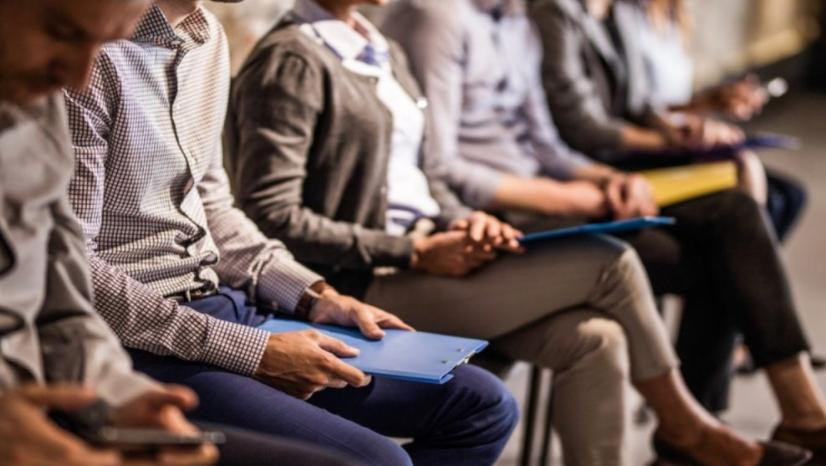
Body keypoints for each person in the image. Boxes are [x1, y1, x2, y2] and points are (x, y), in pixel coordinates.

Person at [225, 0, 813, 464]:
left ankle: (685, 432)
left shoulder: (381, 47)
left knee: (596, 338)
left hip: (433, 247)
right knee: (609, 261)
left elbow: (428, 176)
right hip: (368, 280)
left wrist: (466, 221)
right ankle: (686, 426)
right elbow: (271, 214)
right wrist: (415, 249)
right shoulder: (293, 58)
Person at [62, 1, 519, 465]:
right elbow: (74, 272)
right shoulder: (89, 55)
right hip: (143, 339)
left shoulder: (208, 37)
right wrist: (251, 351)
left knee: (483, 405)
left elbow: (215, 207)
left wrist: (314, 294)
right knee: (381, 461)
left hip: (223, 303)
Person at [0, 1, 360, 465]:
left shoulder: (34, 112)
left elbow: (60, 294)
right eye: (61, 31)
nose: (80, 77)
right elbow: (82, 279)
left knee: (474, 400)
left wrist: (125, 398)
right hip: (136, 333)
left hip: (196, 310)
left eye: (103, 44)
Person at [629, 0, 807, 242]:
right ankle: (742, 270)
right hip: (652, 144)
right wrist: (687, 123)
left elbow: (674, 100)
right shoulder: (629, 16)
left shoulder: (675, 16)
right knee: (751, 176)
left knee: (793, 196)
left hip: (681, 135)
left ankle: (749, 268)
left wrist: (712, 101)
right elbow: (633, 108)